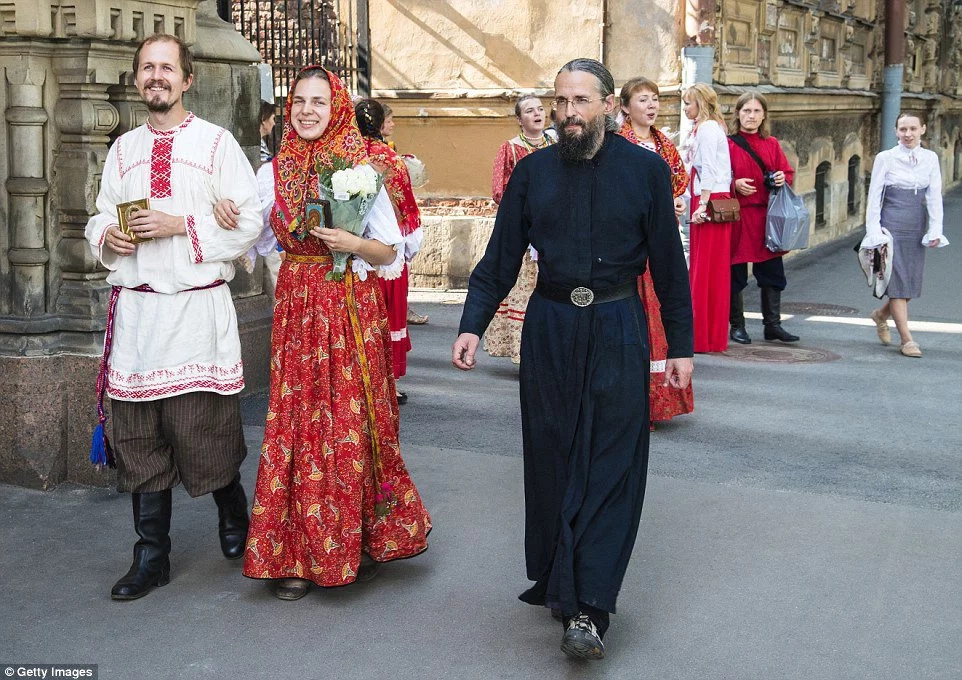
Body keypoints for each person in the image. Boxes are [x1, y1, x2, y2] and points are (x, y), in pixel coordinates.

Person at [452, 58, 693, 661]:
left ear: (609, 106)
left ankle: (592, 606)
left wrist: (681, 350)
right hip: (552, 327)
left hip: (617, 325)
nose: (569, 114)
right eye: (561, 102)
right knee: (554, 457)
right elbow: (500, 257)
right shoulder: (533, 173)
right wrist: (471, 326)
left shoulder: (645, 172)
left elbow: (669, 268)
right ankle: (565, 582)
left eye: (582, 101)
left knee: (612, 462)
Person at [241, 66, 431, 601]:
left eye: (318, 101)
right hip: (298, 307)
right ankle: (296, 553)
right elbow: (246, 236)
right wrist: (216, 217)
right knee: (298, 421)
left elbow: (389, 252)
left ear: (337, 108)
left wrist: (351, 240)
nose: (306, 110)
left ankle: (358, 542)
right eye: (298, 101)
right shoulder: (271, 173)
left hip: (350, 307)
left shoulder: (360, 170)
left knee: (350, 418)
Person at [84, 34, 262, 601]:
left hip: (193, 312)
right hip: (137, 314)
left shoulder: (216, 146)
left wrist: (179, 225)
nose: (156, 76)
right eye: (146, 68)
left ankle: (232, 508)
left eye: (167, 68)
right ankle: (151, 555)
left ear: (187, 79)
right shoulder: (122, 151)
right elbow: (98, 219)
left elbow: (250, 222)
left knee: (201, 429)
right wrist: (108, 235)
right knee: (137, 436)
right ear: (137, 78)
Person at [618, 76, 694, 423]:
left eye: (655, 100)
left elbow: (679, 184)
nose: (651, 106)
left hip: (660, 244)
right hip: (632, 245)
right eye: (643, 100)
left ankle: (660, 399)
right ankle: (634, 402)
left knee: (663, 315)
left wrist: (676, 203)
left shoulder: (664, 144)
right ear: (624, 107)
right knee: (639, 318)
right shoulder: (619, 144)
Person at [355, 97, 423, 403]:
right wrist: (410, 246)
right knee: (389, 317)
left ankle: (359, 381)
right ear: (380, 123)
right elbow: (406, 206)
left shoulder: (349, 155)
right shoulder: (390, 159)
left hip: (356, 255)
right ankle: (386, 385)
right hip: (388, 252)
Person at [863, 112, 948, 357]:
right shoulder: (885, 158)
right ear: (896, 131)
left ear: (922, 129)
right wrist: (873, 230)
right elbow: (874, 197)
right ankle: (907, 339)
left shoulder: (930, 158)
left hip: (916, 225)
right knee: (897, 282)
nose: (907, 134)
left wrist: (935, 228)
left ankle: (880, 315)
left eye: (912, 128)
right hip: (890, 224)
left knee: (909, 285)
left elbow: (933, 196)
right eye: (902, 129)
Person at [485, 95, 556, 363]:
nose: (537, 114)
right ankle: (522, 352)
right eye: (529, 111)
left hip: (553, 230)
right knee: (524, 290)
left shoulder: (556, 144)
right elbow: (499, 190)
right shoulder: (510, 149)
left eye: (540, 109)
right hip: (524, 231)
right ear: (519, 119)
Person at [727, 91, 799, 344]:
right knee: (735, 274)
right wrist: (733, 184)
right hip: (739, 217)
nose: (752, 116)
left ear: (764, 115)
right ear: (737, 113)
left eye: (757, 111)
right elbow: (714, 177)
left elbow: (787, 173)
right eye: (747, 111)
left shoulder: (772, 144)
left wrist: (781, 178)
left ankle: (773, 325)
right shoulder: (728, 143)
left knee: (772, 273)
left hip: (767, 219)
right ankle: (737, 325)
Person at [683, 83, 734, 353]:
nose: (685, 108)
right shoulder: (709, 127)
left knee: (704, 269)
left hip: (710, 200)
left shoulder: (707, 128)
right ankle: (708, 335)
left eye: (688, 103)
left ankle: (703, 336)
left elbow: (709, 168)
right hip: (712, 197)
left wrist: (702, 205)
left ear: (701, 103)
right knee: (709, 269)